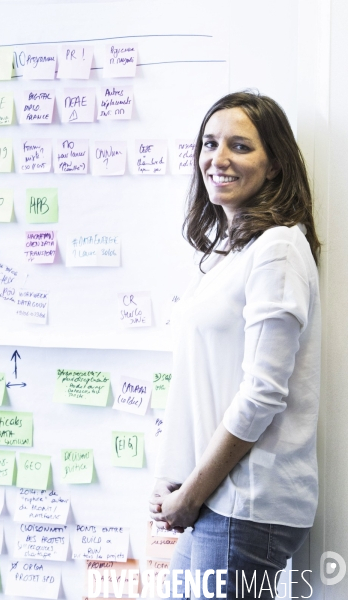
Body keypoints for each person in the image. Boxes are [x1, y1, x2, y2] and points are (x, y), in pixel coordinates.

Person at [149, 91, 321, 599]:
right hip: (217, 504)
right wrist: (176, 479)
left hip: (242, 505)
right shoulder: (234, 252)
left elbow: (261, 395)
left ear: (274, 166)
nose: (218, 158)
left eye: (240, 146)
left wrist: (192, 493)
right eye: (209, 142)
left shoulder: (278, 249)